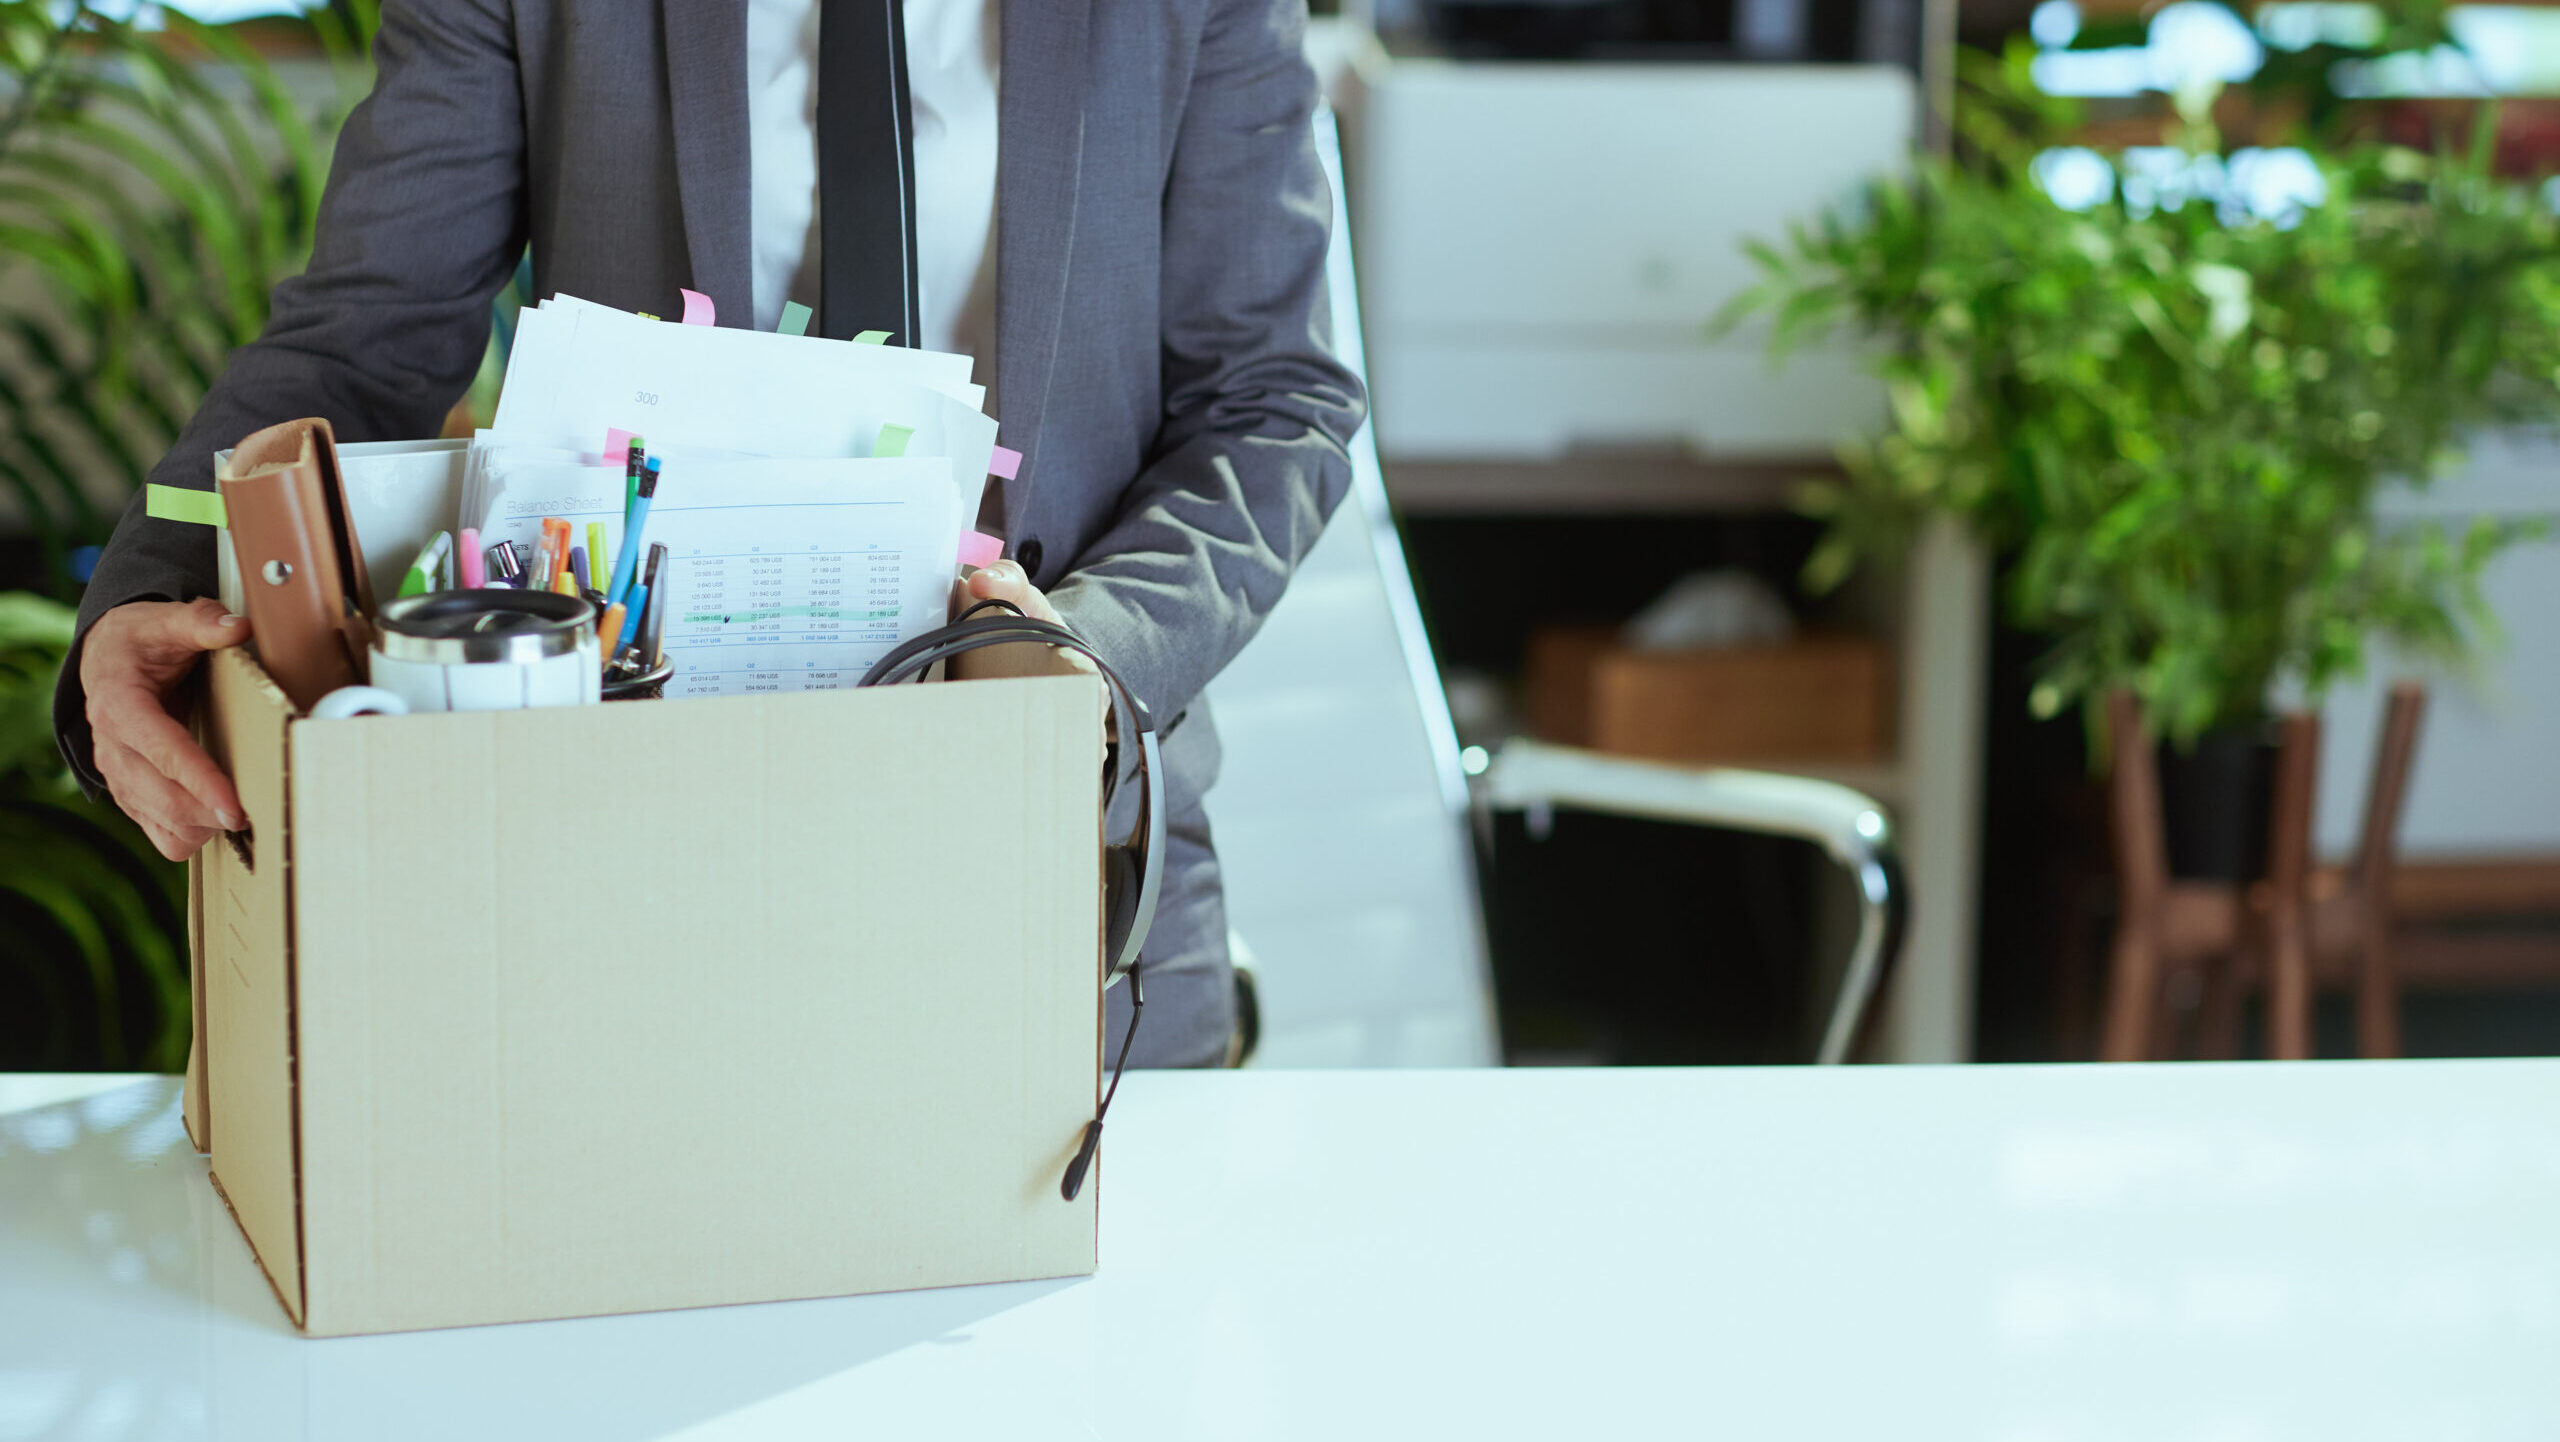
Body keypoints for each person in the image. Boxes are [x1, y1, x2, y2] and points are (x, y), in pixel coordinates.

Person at [52, 0, 1365, 1069]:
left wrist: (1083, 656)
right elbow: (359, 336)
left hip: (1058, 874)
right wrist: (145, 594)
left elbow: (1275, 399)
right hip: (642, 885)